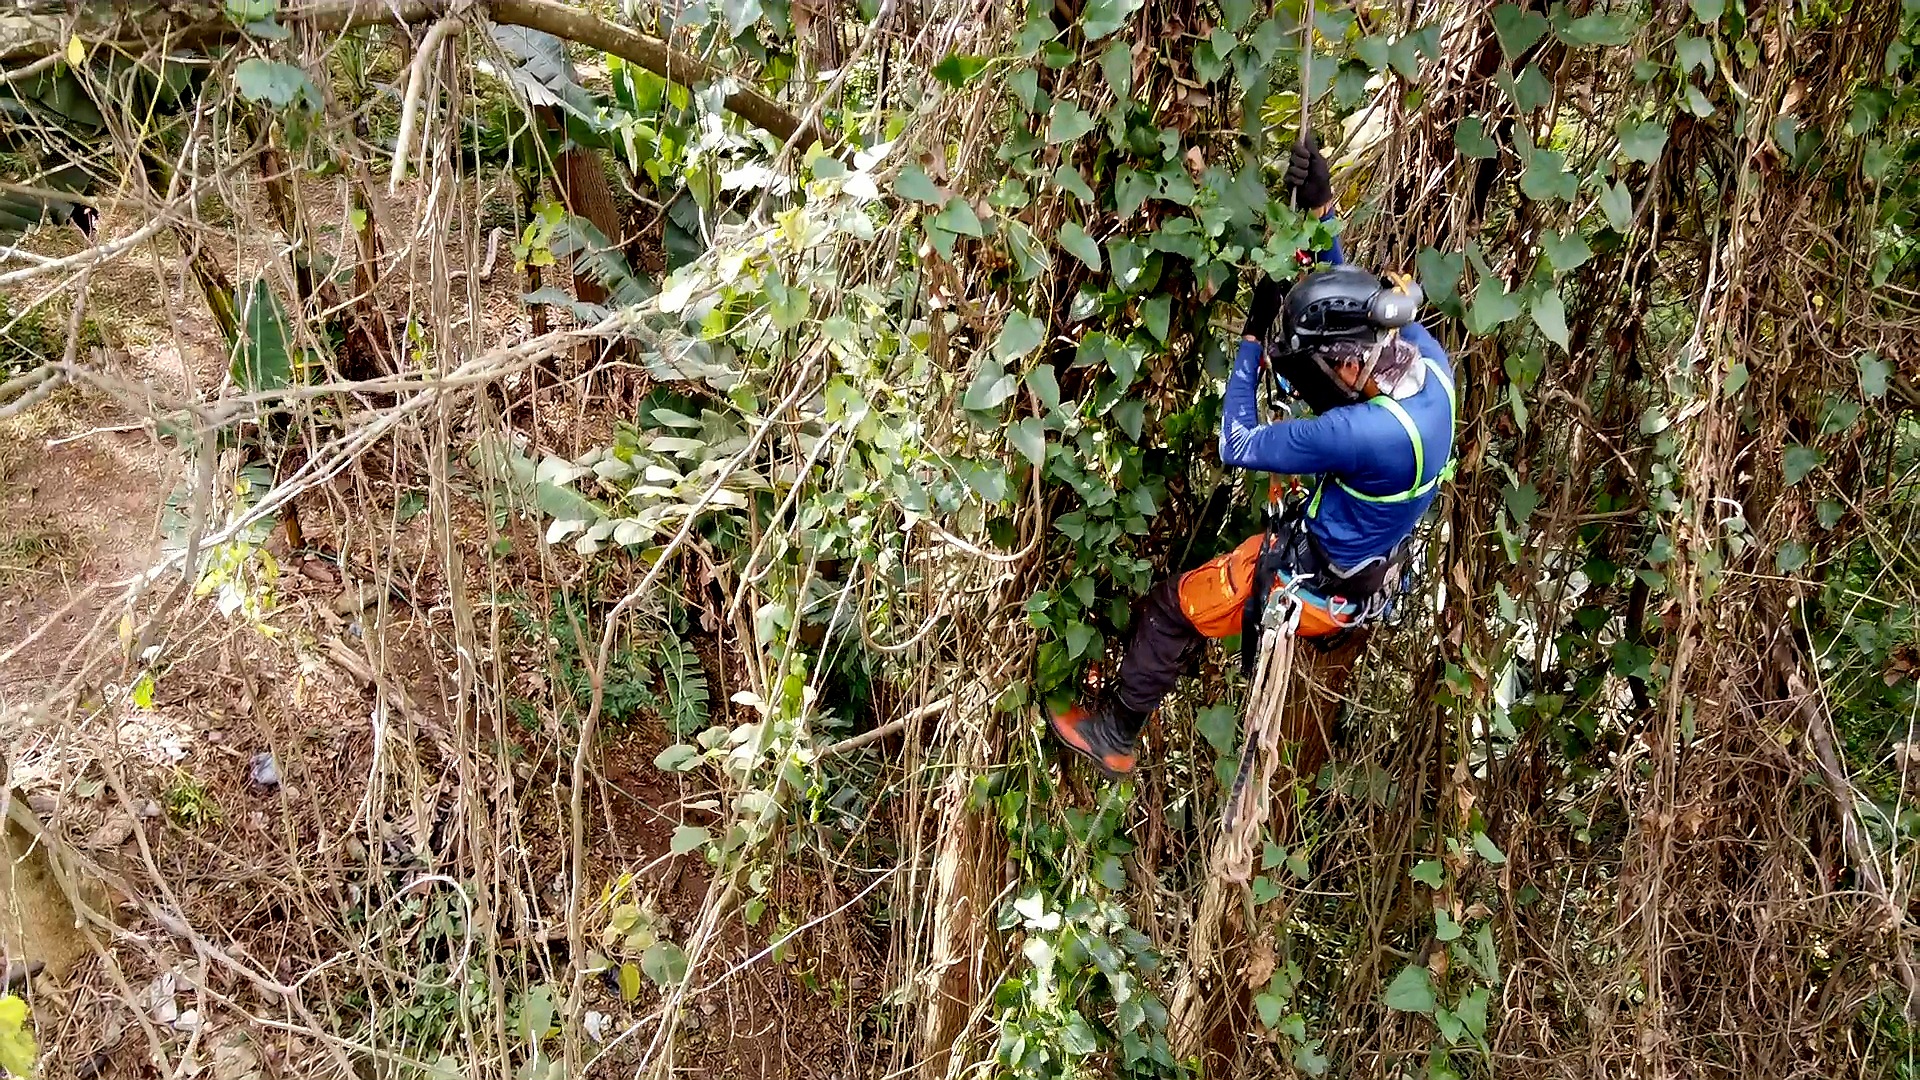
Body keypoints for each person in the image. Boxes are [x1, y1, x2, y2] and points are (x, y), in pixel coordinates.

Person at [1045, 136, 1457, 779]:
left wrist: (1248, 340)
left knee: (1170, 607)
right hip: (1366, 569)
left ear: (1351, 368)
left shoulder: (1361, 434)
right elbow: (1349, 303)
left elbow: (1235, 443)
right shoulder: (1427, 362)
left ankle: (1115, 735)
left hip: (1313, 584)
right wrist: (1321, 212)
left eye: (1325, 369)